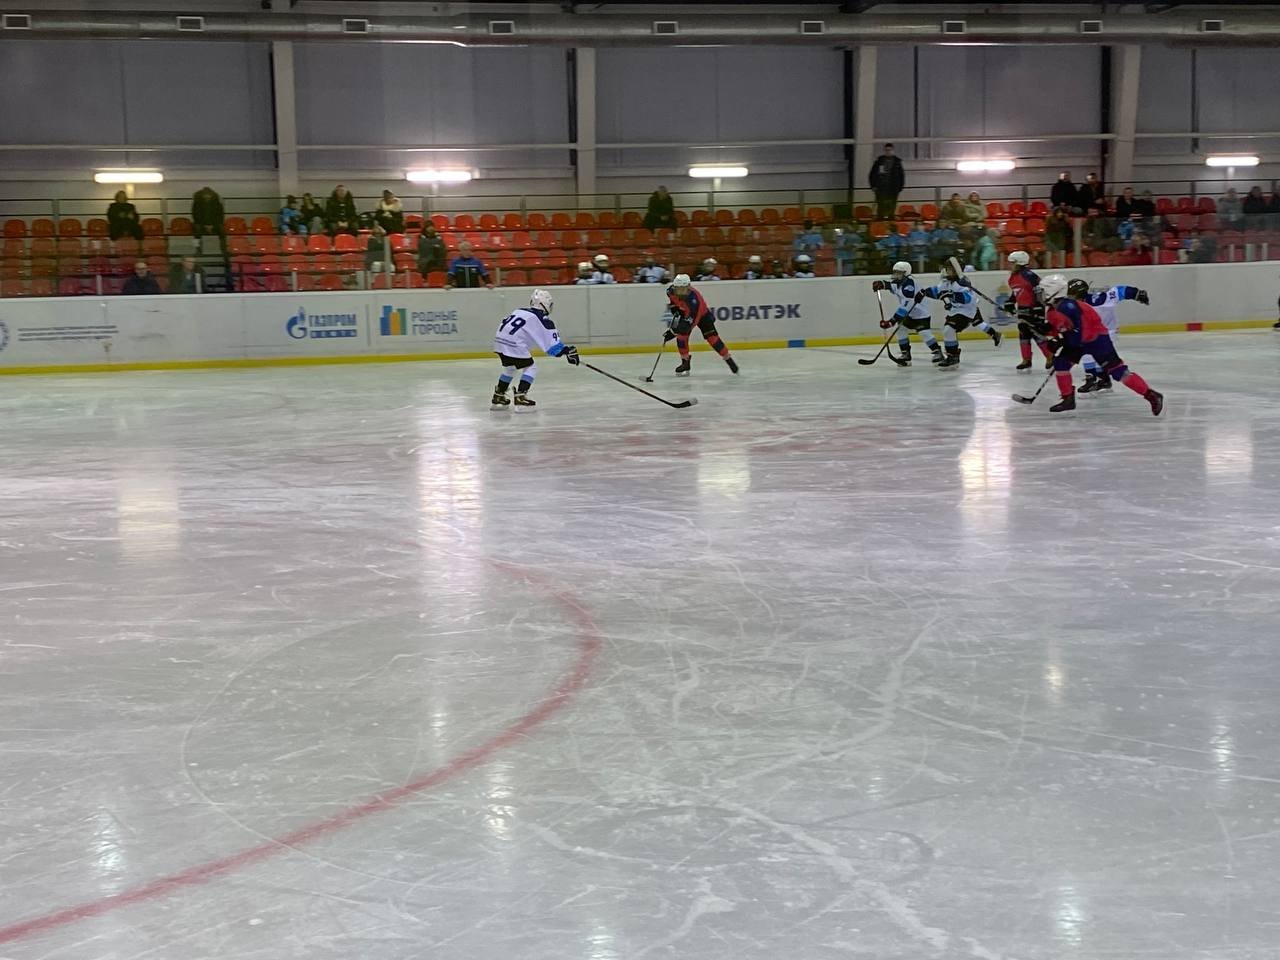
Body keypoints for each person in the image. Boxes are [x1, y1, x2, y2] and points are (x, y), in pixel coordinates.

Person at [1039, 273, 1163, 415]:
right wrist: (1051, 333)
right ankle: (1068, 399)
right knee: (1061, 363)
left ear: (1053, 291)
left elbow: (1081, 332)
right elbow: (1061, 327)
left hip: (1097, 339)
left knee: (1118, 372)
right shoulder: (1053, 309)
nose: (1040, 295)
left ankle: (1152, 395)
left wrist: (1060, 341)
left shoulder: (1070, 307)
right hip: (1079, 341)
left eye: (1043, 291)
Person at [490, 288, 579, 409]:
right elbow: (553, 348)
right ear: (544, 304)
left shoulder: (519, 310)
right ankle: (521, 395)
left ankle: (499, 395)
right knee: (531, 367)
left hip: (499, 341)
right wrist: (568, 351)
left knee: (510, 367)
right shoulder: (542, 319)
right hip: (514, 344)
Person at [912, 256, 1002, 367]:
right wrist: (924, 292)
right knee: (951, 330)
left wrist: (952, 295)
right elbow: (937, 291)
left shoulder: (962, 282)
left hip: (966, 311)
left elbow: (967, 298)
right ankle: (953, 355)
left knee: (949, 330)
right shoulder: (947, 281)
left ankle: (953, 356)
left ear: (956, 270)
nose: (946, 271)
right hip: (956, 311)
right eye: (947, 268)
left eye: (949, 269)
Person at [1065, 277, 1149, 393]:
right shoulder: (1074, 306)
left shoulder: (1100, 300)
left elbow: (1120, 291)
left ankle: (1098, 379)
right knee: (1088, 355)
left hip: (1108, 331)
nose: (1069, 298)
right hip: (1093, 332)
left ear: (1080, 293)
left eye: (1071, 294)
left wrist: (1137, 294)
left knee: (1096, 356)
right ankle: (1099, 379)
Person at [663, 274, 739, 376]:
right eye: (678, 289)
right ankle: (685, 362)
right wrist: (674, 307)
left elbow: (692, 322)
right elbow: (673, 300)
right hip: (686, 313)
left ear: (688, 287)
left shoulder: (694, 300)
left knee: (712, 339)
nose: (680, 292)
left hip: (701, 315)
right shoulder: (670, 291)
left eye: (683, 289)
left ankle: (728, 358)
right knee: (681, 338)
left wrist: (673, 332)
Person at [871, 261, 942, 366]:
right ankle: (906, 354)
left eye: (899, 273)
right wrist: (881, 284)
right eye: (895, 272)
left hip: (921, 315)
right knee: (901, 329)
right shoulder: (900, 283)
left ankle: (938, 352)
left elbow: (906, 306)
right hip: (910, 314)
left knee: (924, 333)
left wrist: (891, 321)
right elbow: (891, 286)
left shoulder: (909, 286)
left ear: (906, 273)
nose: (896, 275)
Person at [1007, 250, 1054, 371]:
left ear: (1018, 263)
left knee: (1037, 333)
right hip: (1022, 308)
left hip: (1034, 308)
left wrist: (1038, 306)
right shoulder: (1013, 277)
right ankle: (1026, 359)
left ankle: (1050, 356)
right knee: (1024, 332)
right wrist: (1010, 302)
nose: (1009, 265)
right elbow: (1016, 292)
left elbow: (1039, 291)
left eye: (1012, 263)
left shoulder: (1029, 276)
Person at [868, 143, 905, 221]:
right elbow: (872, 174)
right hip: (881, 187)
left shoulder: (897, 162)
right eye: (886, 150)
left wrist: (900, 187)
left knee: (892, 204)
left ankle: (891, 218)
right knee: (881, 204)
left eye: (889, 150)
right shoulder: (879, 162)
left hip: (893, 187)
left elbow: (901, 175)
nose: (888, 152)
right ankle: (880, 219)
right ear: (884, 151)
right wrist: (873, 185)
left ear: (893, 150)